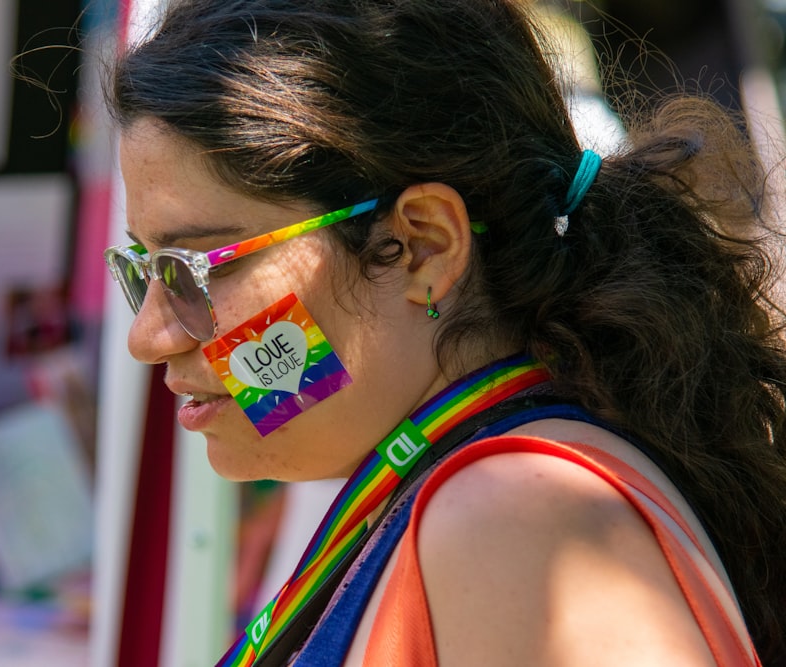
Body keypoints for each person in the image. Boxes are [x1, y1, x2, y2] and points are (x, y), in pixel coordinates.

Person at [102, 1, 786, 665]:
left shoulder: (518, 513)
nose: (149, 335)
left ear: (423, 246)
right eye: (143, 268)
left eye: (196, 267)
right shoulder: (485, 491)